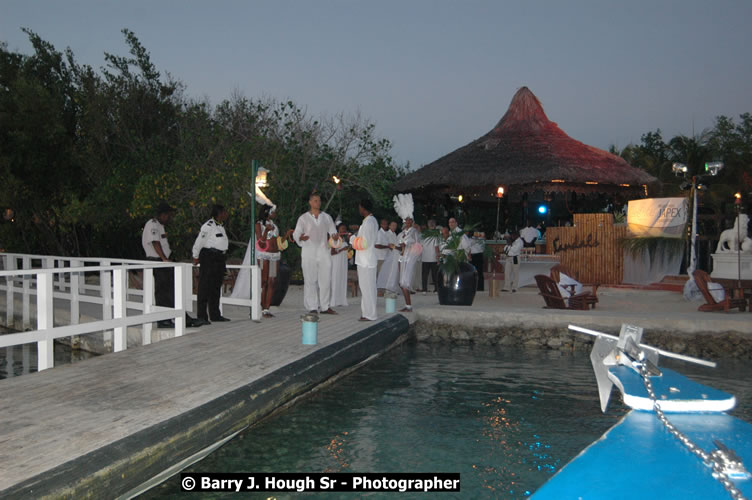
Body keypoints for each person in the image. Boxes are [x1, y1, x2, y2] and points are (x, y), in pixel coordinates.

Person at [142, 201, 199, 328]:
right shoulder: (152, 224)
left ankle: (175, 317)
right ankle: (163, 320)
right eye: (168, 215)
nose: (169, 217)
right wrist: (163, 259)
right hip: (157, 261)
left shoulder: (160, 226)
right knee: (163, 291)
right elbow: (155, 243)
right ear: (162, 214)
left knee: (169, 290)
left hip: (162, 261)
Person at [293, 193, 337, 314]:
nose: (318, 203)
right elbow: (296, 234)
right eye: (316, 200)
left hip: (323, 251)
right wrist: (301, 238)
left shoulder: (327, 217)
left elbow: (333, 232)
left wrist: (335, 238)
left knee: (326, 279)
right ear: (310, 202)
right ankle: (312, 306)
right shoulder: (303, 218)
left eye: (319, 200)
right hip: (309, 252)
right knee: (310, 279)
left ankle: (325, 306)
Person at [192, 204, 230, 324]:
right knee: (204, 287)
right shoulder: (208, 226)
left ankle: (215, 314)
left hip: (219, 258)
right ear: (219, 213)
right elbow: (199, 241)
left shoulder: (221, 227)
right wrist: (195, 256)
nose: (226, 214)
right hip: (209, 257)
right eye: (224, 212)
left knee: (215, 287)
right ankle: (202, 316)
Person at [255, 206, 286, 318]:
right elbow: (260, 243)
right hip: (264, 255)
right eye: (273, 212)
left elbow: (278, 241)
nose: (275, 213)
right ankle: (261, 306)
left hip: (274, 256)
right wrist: (266, 231)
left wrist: (287, 235)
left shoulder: (274, 226)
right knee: (264, 281)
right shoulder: (259, 224)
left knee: (272, 281)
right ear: (267, 212)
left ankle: (267, 308)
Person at [352, 199, 379, 321]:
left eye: (359, 207)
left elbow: (364, 243)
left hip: (365, 260)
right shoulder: (371, 221)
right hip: (367, 259)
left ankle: (370, 314)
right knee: (368, 287)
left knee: (367, 287)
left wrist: (352, 238)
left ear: (363, 208)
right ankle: (367, 312)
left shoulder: (369, 222)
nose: (359, 209)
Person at [397, 217, 420, 312]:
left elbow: (417, 245)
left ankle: (409, 306)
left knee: (405, 283)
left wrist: (407, 245)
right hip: (403, 258)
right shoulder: (403, 232)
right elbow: (400, 246)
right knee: (402, 283)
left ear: (412, 221)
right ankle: (407, 305)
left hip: (410, 258)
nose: (407, 222)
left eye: (409, 220)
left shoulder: (414, 231)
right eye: (406, 220)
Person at [329, 222, 350, 308]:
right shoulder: (334, 239)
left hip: (343, 263)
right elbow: (332, 252)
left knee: (342, 279)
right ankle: (334, 300)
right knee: (335, 279)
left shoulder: (345, 240)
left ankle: (341, 300)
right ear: (338, 229)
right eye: (342, 228)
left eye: (345, 228)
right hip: (336, 262)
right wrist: (342, 250)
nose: (344, 230)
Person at [376, 221, 399, 293]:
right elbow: (377, 245)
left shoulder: (393, 234)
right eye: (392, 225)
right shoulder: (381, 233)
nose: (394, 227)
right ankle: (379, 291)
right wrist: (389, 246)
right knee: (380, 274)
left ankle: (386, 290)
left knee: (387, 274)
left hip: (389, 257)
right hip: (381, 256)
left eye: (395, 226)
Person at [419, 219, 439, 294]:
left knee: (424, 275)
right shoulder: (435, 235)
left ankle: (424, 289)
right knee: (435, 274)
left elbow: (420, 246)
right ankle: (436, 289)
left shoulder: (423, 234)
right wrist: (438, 257)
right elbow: (436, 247)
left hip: (425, 258)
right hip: (433, 258)